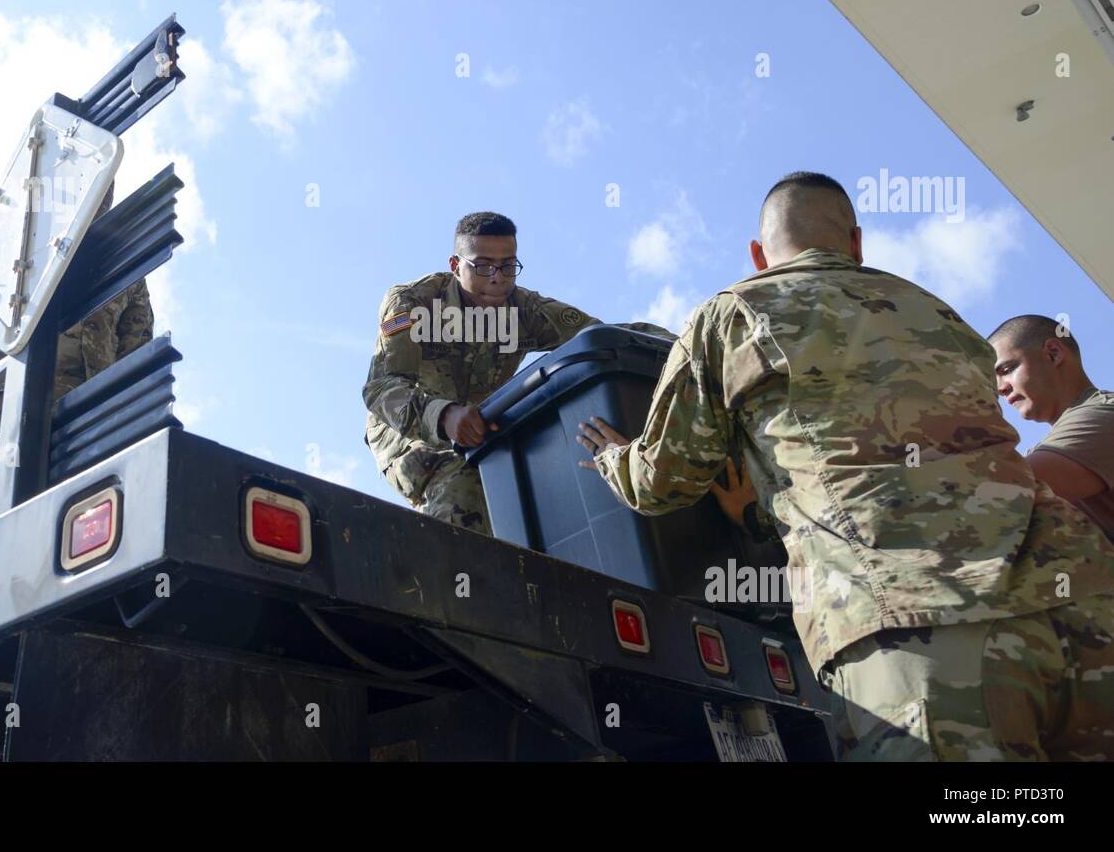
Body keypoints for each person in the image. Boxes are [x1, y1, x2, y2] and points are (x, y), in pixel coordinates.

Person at [576, 171, 1114, 761]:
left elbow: (664, 481)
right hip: (1085, 604)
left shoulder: (735, 311)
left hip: (923, 623)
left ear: (759, 256)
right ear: (855, 244)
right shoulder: (939, 314)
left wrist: (611, 457)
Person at [363, 211, 671, 536]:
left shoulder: (523, 311)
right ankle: (453, 581)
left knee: (546, 479)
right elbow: (381, 388)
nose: (497, 278)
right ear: (456, 266)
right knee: (463, 486)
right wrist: (444, 417)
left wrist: (687, 348)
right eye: (483, 266)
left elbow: (600, 335)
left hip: (482, 428)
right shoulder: (413, 303)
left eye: (508, 266)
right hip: (407, 432)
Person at [0, 183, 154, 461]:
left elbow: (137, 352)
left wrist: (131, 425)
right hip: (11, 408)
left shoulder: (123, 261)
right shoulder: (12, 242)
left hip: (93, 415)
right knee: (9, 497)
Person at [989, 315, 1114, 537]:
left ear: (1053, 353)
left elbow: (1001, 492)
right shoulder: (1045, 448)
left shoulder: (1103, 416)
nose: (1001, 389)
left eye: (1007, 370)